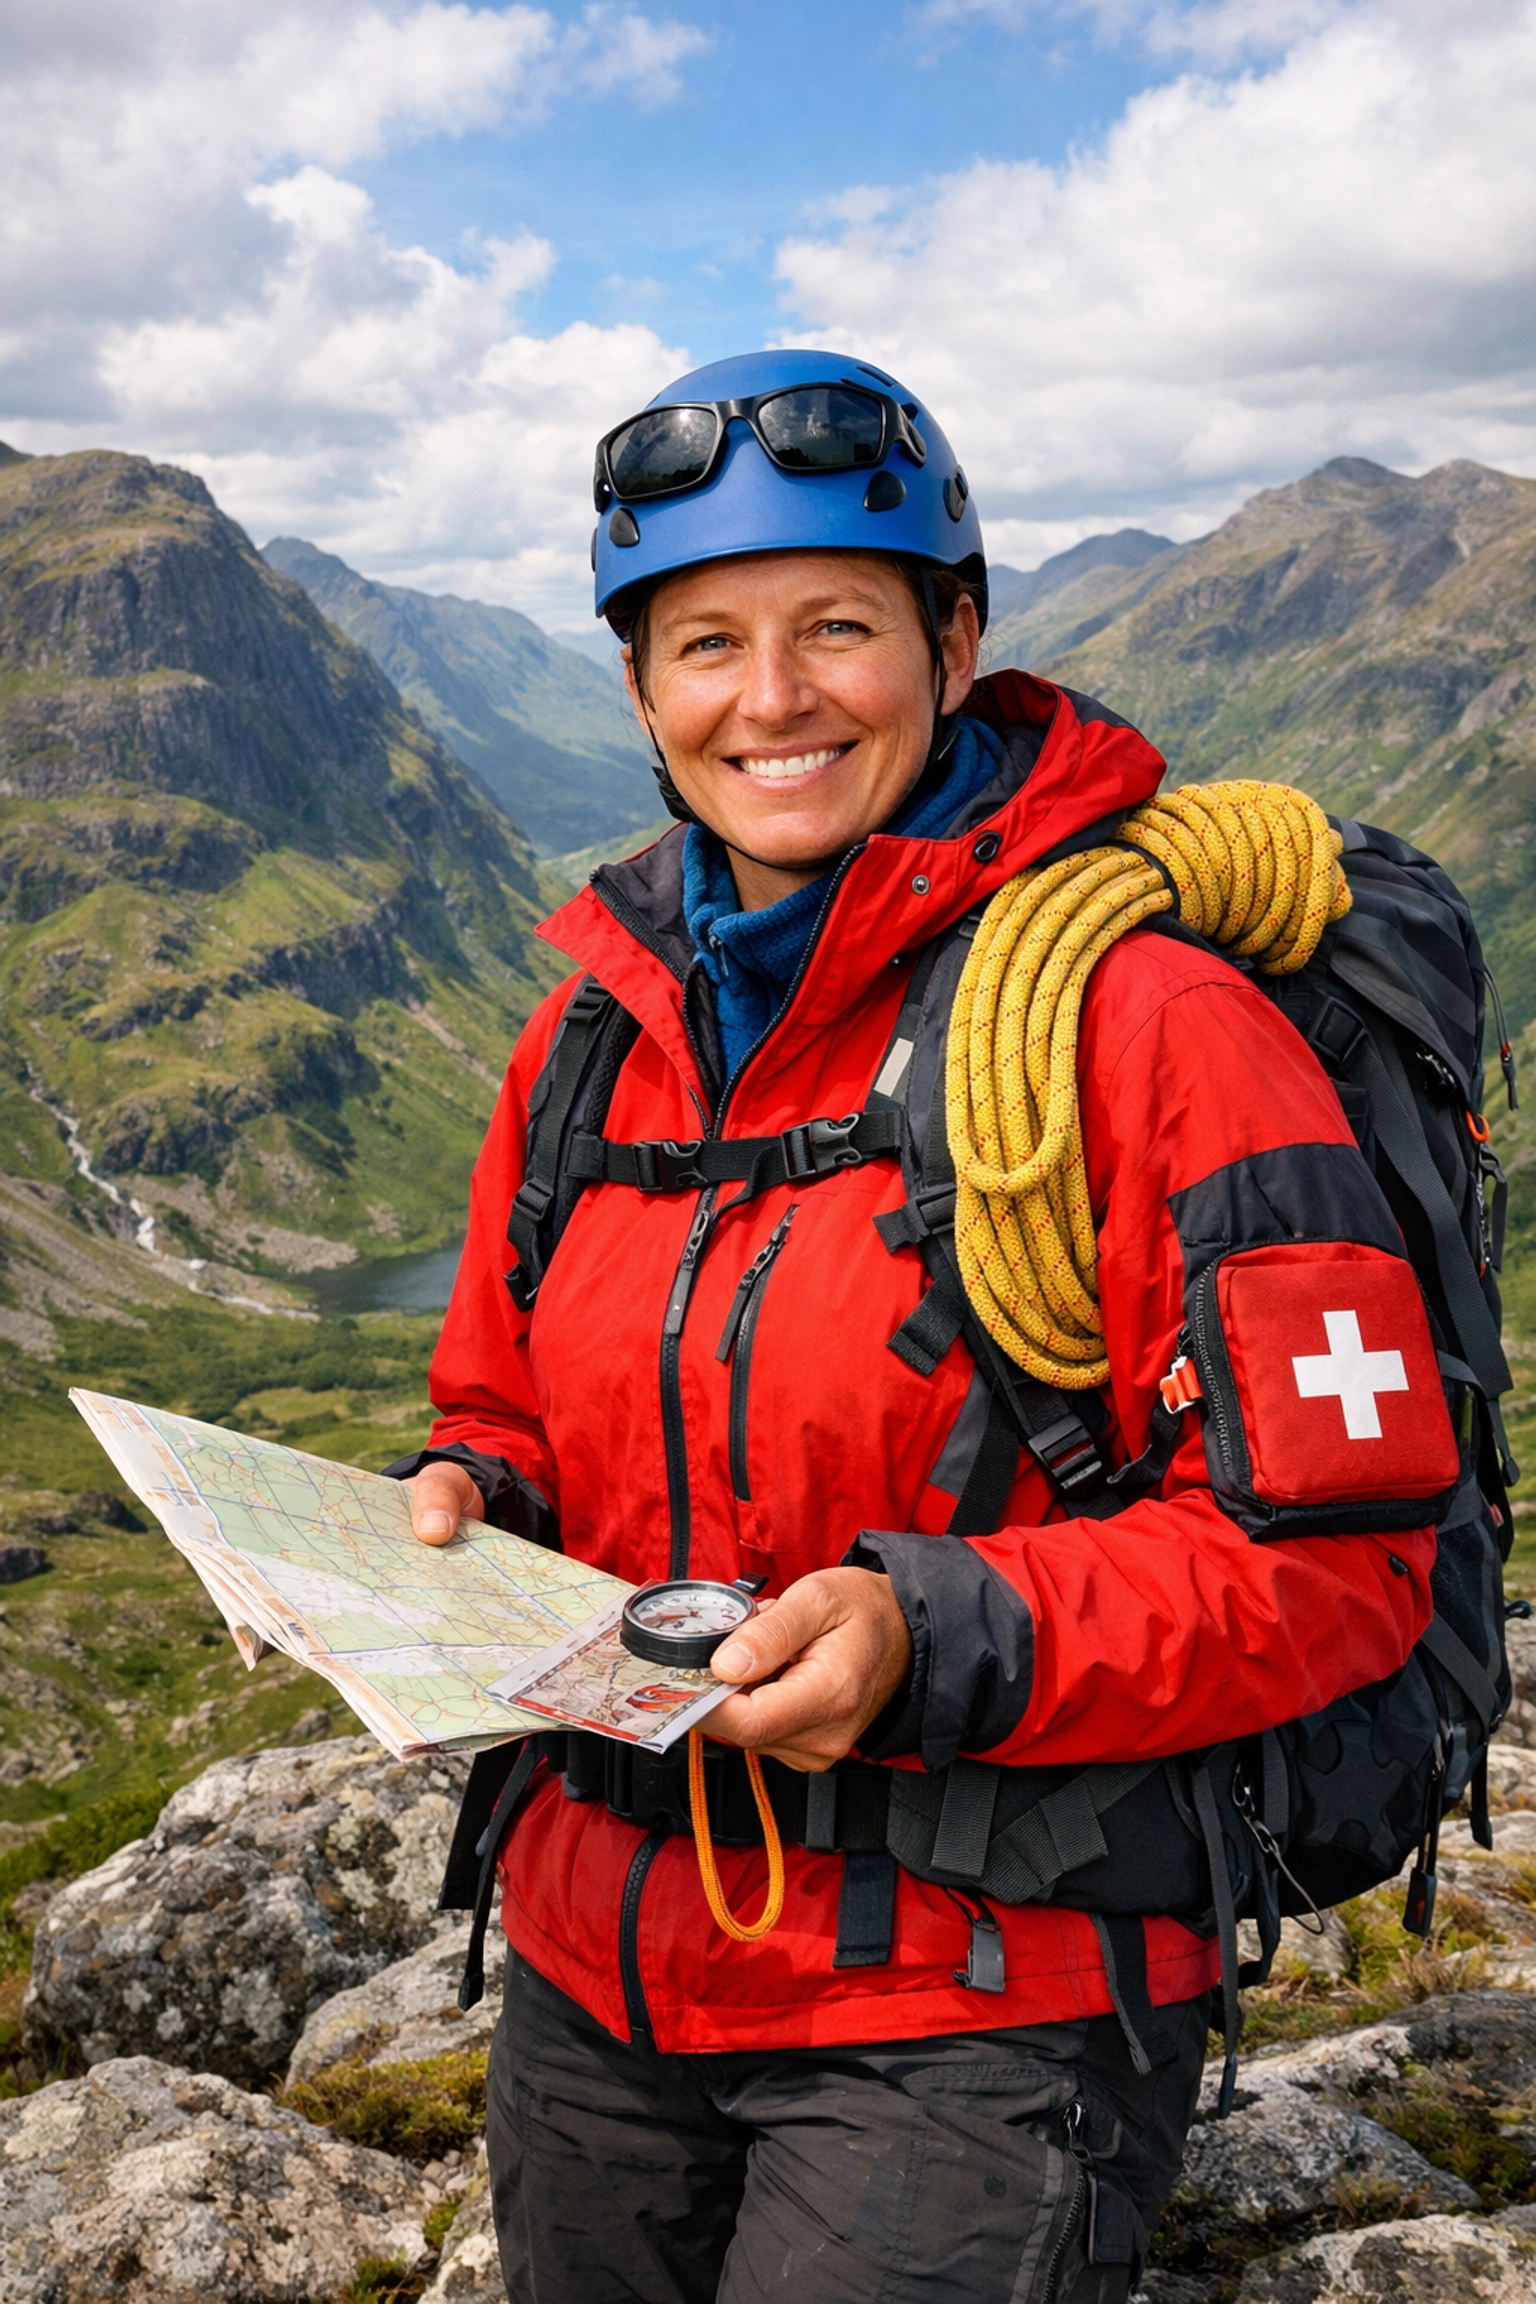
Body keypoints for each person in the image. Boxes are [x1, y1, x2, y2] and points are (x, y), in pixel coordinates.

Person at [389, 351, 1440, 2303]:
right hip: (596, 1974)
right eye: (706, 643)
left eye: (837, 628)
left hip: (974, 2005)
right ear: (639, 692)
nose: (771, 698)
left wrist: (930, 1634)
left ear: (955, 645)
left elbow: (1341, 1562)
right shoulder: (592, 1040)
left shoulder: (1148, 1027)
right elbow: (503, 1395)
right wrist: (469, 1494)